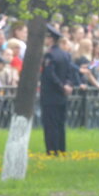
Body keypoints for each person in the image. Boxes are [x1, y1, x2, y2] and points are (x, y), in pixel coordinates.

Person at [39, 25, 75, 154]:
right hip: (62, 95)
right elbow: (70, 73)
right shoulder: (65, 55)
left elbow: (50, 74)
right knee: (60, 123)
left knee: (50, 124)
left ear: (50, 39)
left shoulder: (49, 55)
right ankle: (61, 148)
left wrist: (60, 85)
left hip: (50, 95)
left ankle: (52, 149)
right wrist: (68, 85)